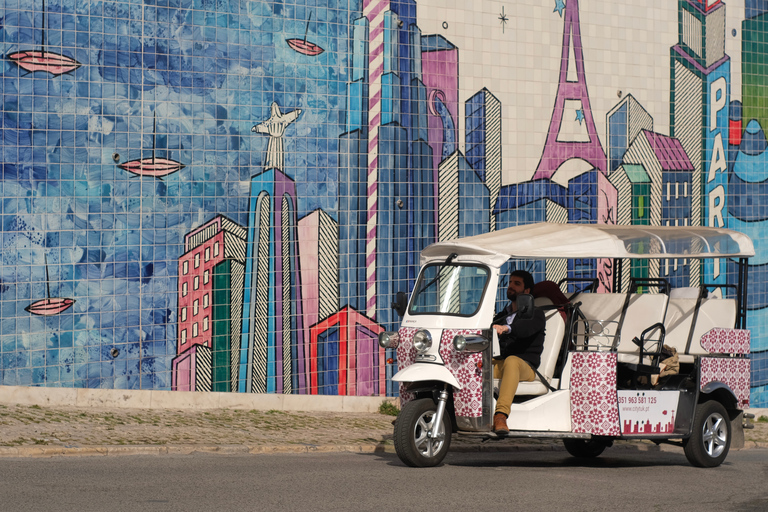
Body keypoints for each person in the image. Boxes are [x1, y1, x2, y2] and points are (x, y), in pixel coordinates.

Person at [492, 270, 546, 434]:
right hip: (504, 363)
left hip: (526, 367)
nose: (511, 286)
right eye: (510, 282)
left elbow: (523, 330)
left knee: (512, 361)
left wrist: (506, 328)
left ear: (527, 291)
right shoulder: (503, 314)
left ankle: (501, 415)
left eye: (517, 284)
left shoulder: (536, 314)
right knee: (476, 364)